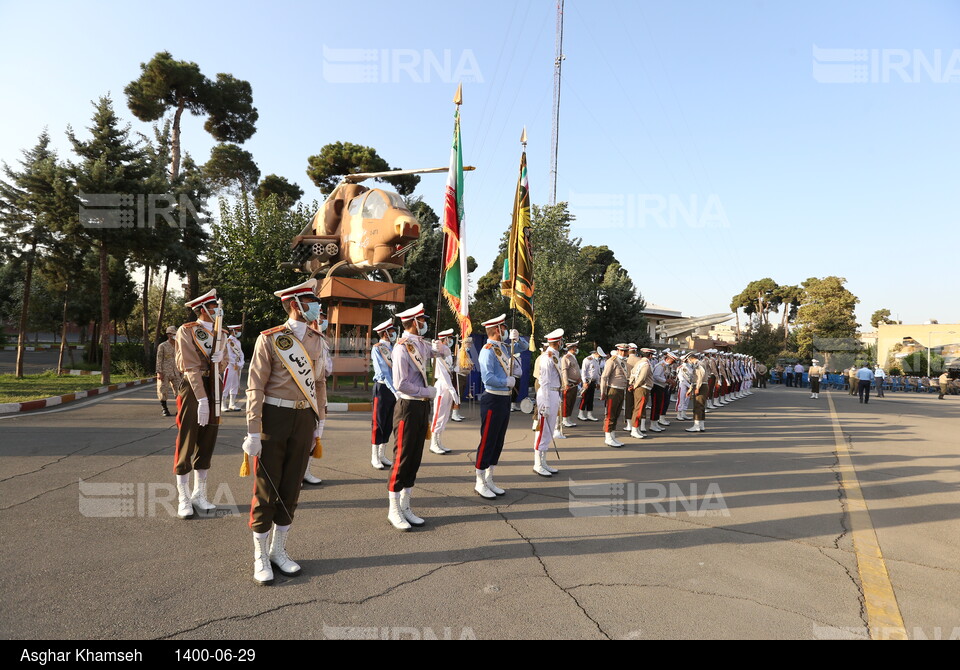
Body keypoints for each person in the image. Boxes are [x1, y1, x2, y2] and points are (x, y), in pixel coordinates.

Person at [241, 279, 328, 585]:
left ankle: (279, 550)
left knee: (292, 486)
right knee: (267, 488)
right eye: (311, 301)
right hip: (273, 417)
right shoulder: (270, 339)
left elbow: (318, 383)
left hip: (304, 418)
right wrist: (253, 430)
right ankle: (260, 555)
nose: (317, 305)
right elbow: (255, 386)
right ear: (296, 304)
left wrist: (320, 420)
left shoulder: (318, 340)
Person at [173, 289, 228, 519]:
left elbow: (225, 360)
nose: (218, 310)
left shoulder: (221, 332)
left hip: (213, 385)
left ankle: (199, 493)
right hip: (194, 388)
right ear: (203, 309)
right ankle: (183, 496)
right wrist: (202, 398)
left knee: (208, 438)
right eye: (214, 307)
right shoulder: (187, 331)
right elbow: (189, 366)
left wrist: (221, 361)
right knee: (188, 438)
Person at [385, 303, 437, 531]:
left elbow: (438, 351)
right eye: (423, 320)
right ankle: (393, 508)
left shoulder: (419, 345)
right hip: (407, 406)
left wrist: (461, 343)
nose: (426, 323)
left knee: (415, 458)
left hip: (421, 408)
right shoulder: (401, 348)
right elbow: (401, 384)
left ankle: (406, 506)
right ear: (414, 322)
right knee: (402, 458)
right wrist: (428, 392)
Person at [474, 315, 518, 497]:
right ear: (496, 330)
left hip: (504, 399)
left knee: (498, 440)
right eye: (504, 327)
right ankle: (479, 479)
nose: (506, 330)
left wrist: (518, 339)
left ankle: (490, 477)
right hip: (492, 398)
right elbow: (488, 378)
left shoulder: (503, 348)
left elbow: (521, 347)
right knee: (488, 440)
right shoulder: (488, 350)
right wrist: (506, 381)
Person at [533, 329, 565, 476]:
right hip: (547, 394)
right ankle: (537, 463)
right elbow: (544, 382)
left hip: (553, 393)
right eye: (561, 341)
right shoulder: (547, 357)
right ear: (558, 342)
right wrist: (545, 404)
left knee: (549, 430)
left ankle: (543, 461)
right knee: (543, 430)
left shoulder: (554, 356)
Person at [370, 318, 399, 470]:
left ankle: (382, 454)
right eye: (392, 331)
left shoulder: (395, 348)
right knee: (378, 422)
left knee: (388, 422)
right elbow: (383, 372)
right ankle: (374, 456)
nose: (394, 333)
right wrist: (395, 390)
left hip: (394, 390)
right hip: (382, 388)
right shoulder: (377, 348)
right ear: (385, 333)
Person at [429, 329, 458, 455]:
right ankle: (433, 443)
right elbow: (443, 373)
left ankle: (439, 441)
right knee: (438, 414)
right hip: (442, 385)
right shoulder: (437, 354)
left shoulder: (447, 353)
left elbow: (450, 370)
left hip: (449, 385)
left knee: (445, 415)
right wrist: (451, 389)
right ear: (444, 340)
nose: (450, 341)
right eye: (449, 338)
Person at [600, 344, 631, 447]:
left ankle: (612, 435)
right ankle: (608, 436)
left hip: (621, 390)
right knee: (610, 414)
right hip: (613, 390)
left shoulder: (623, 362)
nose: (623, 353)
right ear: (617, 350)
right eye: (621, 351)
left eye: (625, 351)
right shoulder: (612, 361)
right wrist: (603, 391)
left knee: (616, 413)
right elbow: (604, 377)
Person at [628, 348, 655, 438]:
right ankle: (634, 429)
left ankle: (637, 429)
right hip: (643, 388)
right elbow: (642, 377)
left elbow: (632, 374)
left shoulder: (638, 363)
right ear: (650, 355)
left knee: (639, 408)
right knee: (639, 409)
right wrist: (635, 385)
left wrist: (632, 384)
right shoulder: (646, 364)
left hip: (639, 387)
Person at [156, 325, 181, 417]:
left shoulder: (178, 345)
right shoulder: (162, 346)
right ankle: (164, 409)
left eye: (175, 334)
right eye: (172, 334)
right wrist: (159, 372)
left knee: (179, 390)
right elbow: (159, 359)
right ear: (168, 335)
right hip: (165, 371)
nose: (174, 336)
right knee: (163, 390)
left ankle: (180, 409)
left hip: (176, 371)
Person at [221, 324, 244, 412]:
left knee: (235, 384)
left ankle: (232, 404)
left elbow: (241, 354)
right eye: (237, 330)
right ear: (233, 331)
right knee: (226, 384)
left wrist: (240, 363)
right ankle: (223, 404)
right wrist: (234, 363)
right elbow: (228, 354)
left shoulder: (237, 342)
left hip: (237, 366)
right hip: (230, 365)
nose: (238, 332)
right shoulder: (228, 341)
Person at [560, 341, 582, 429]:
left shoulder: (573, 357)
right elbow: (564, 371)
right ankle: (564, 419)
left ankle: (568, 418)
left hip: (575, 383)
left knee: (572, 402)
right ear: (572, 348)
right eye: (575, 348)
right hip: (569, 383)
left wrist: (579, 378)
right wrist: (566, 384)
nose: (576, 349)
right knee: (567, 402)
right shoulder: (566, 357)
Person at [685, 351, 708, 433]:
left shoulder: (699, 364)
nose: (688, 362)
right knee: (701, 406)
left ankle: (696, 426)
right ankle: (701, 425)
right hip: (701, 385)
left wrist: (697, 387)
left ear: (691, 359)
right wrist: (690, 389)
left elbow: (700, 377)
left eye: (688, 360)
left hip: (701, 386)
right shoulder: (700, 363)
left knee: (697, 406)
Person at [578, 347, 602, 422]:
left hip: (593, 382)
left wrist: (598, 383)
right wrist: (584, 382)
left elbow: (597, 373)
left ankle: (589, 414)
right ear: (595, 353)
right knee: (585, 398)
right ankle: (580, 413)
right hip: (587, 381)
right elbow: (583, 372)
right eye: (598, 354)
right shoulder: (587, 360)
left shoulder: (596, 361)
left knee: (591, 399)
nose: (599, 356)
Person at [675, 351, 693, 421]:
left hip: (689, 385)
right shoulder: (683, 367)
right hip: (683, 385)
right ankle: (678, 414)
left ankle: (684, 413)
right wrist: (689, 385)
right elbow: (682, 378)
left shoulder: (689, 366)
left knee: (687, 399)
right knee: (681, 399)